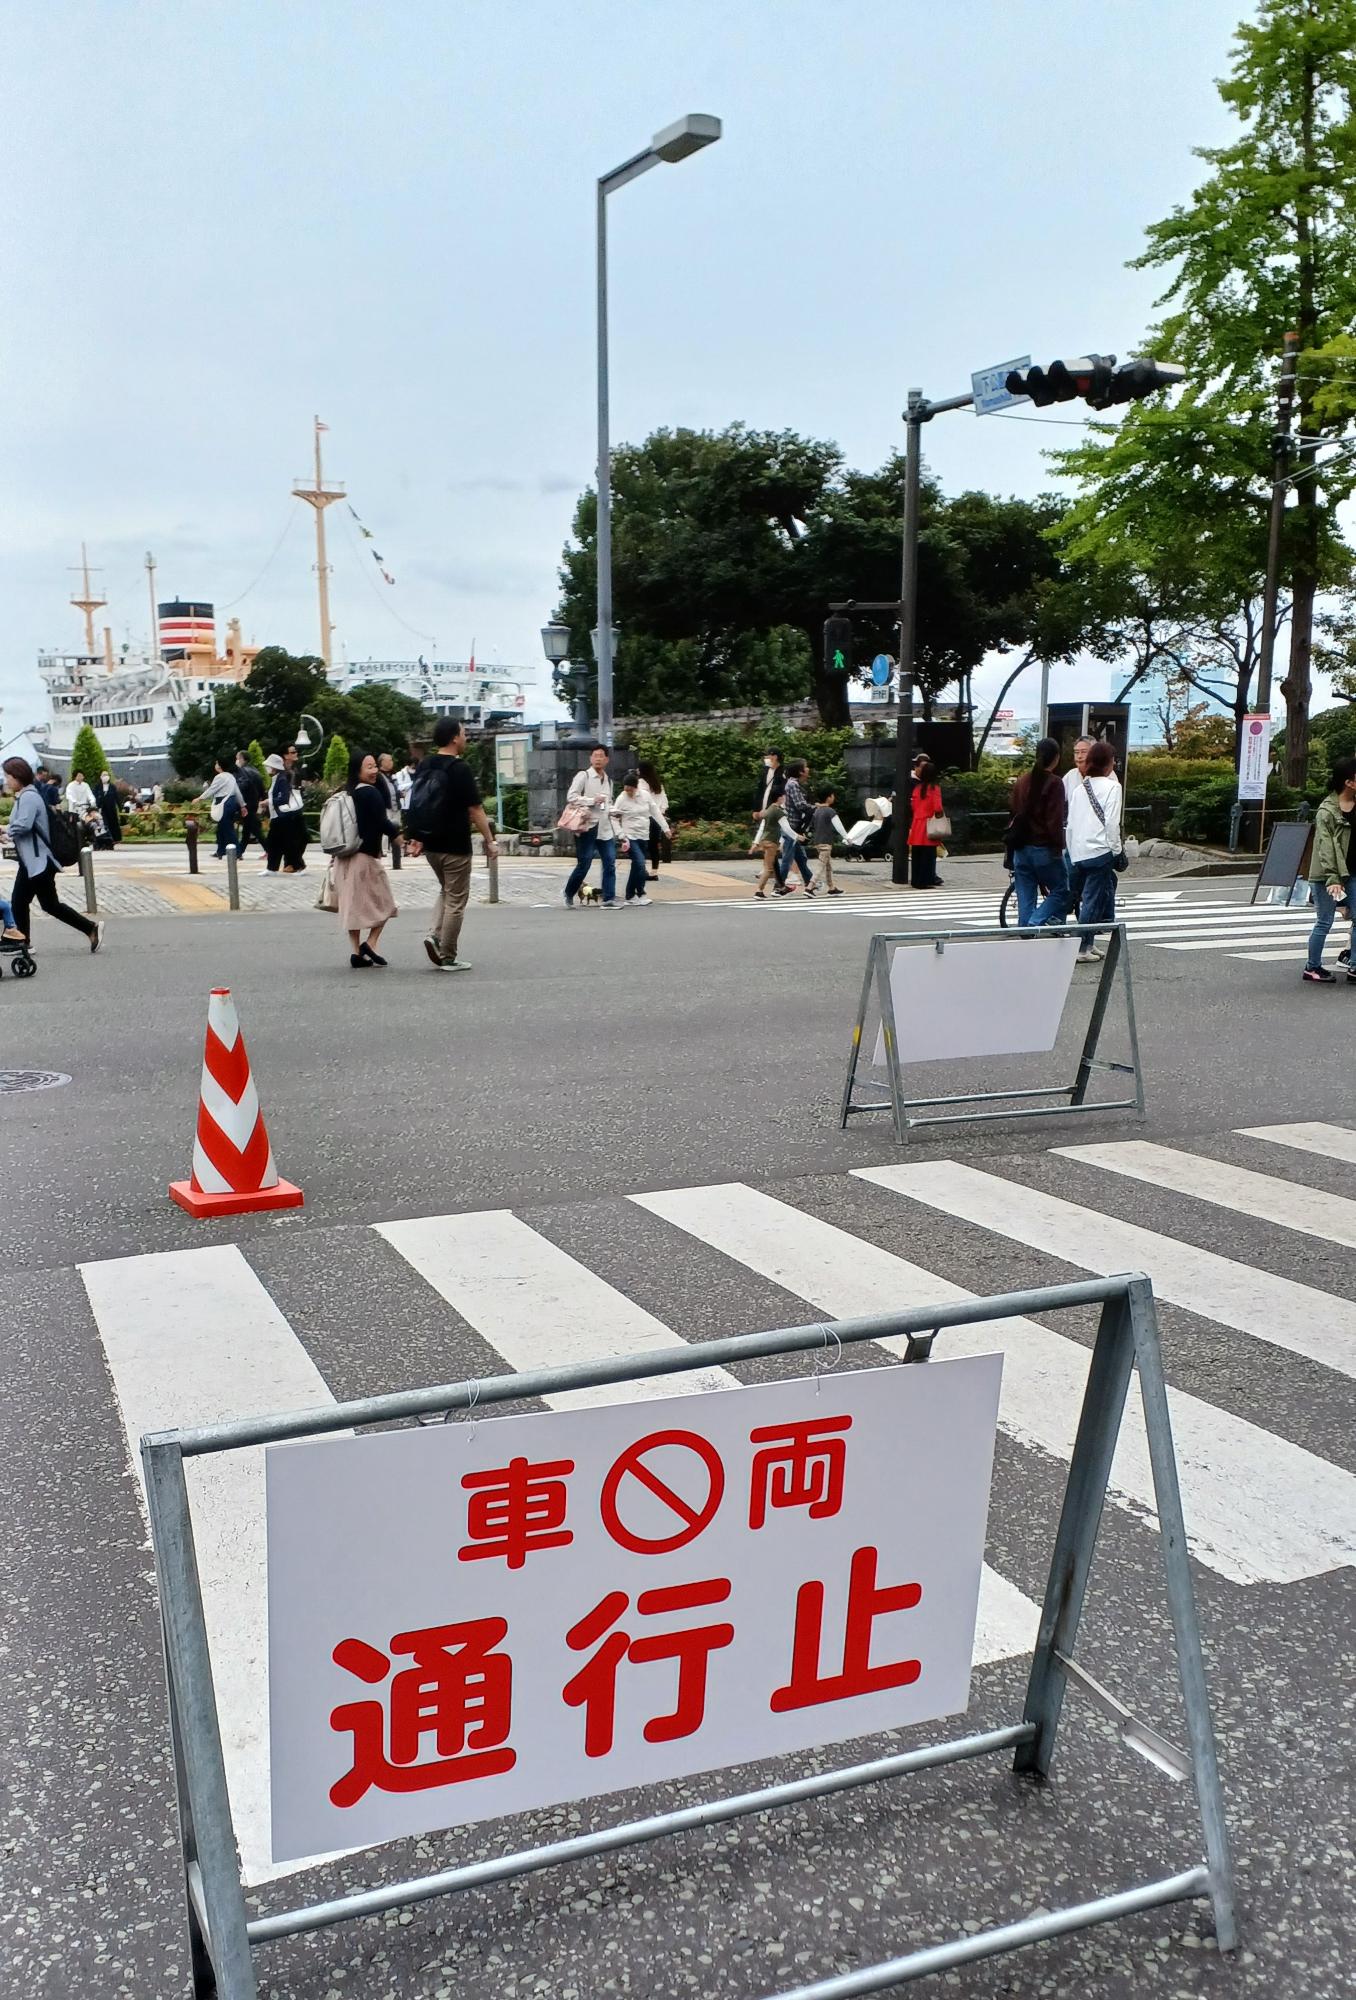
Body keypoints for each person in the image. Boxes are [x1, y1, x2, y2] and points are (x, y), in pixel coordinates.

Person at [404, 716, 496, 970]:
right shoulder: (459, 768)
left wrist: (416, 836)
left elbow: (417, 803)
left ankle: (434, 935)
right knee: (456, 899)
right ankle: (447, 954)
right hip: (455, 844)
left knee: (447, 890)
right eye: (463, 733)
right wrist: (490, 840)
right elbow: (476, 809)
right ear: (454, 738)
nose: (465, 738)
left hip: (431, 845)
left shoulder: (425, 764)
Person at [2, 757, 103, 951]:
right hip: (33, 861)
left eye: (8, 776)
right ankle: (89, 929)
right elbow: (22, 826)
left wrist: (7, 830)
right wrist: (5, 831)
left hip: (38, 861)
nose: (7, 780)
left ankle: (23, 942)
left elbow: (24, 825)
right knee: (42, 903)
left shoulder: (29, 797)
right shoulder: (26, 795)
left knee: (25, 902)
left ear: (17, 776)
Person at [334, 751, 398, 968]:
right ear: (357, 770)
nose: (374, 771)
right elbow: (382, 822)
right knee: (386, 903)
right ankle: (371, 943)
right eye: (369, 767)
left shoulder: (347, 793)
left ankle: (356, 952)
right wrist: (399, 838)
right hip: (365, 857)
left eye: (374, 766)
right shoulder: (371, 793)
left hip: (344, 858)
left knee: (354, 907)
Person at [1066, 738, 1123, 961]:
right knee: (1092, 900)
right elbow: (1112, 823)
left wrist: (1073, 853)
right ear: (1108, 763)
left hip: (1079, 851)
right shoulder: (1113, 787)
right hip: (1100, 852)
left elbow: (1070, 825)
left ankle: (1089, 943)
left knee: (1097, 897)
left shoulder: (1080, 789)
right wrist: (1116, 850)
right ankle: (1082, 947)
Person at [1302, 753, 1356, 984]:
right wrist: (1333, 878)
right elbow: (1325, 847)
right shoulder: (1327, 811)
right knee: (1324, 921)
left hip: (1352, 873)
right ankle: (1312, 967)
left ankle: (1354, 966)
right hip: (1327, 875)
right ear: (1349, 782)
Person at [1008, 737, 1068, 928]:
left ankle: (1025, 928)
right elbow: (1054, 821)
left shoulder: (1022, 781)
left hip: (1020, 848)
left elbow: (1013, 812)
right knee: (1061, 889)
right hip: (1043, 848)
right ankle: (1035, 922)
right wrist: (1058, 847)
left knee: (1026, 894)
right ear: (1056, 758)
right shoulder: (1055, 783)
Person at [563, 746, 618, 908]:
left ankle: (609, 898)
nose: (598, 759)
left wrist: (614, 811)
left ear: (607, 760)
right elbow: (571, 797)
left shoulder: (608, 780)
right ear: (590, 758)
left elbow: (608, 803)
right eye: (595, 756)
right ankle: (569, 892)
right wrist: (591, 801)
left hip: (605, 827)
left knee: (610, 862)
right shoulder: (584, 776)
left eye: (601, 756)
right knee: (584, 863)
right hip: (587, 826)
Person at [775, 759, 816, 896]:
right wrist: (816, 807)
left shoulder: (793, 783)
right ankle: (778, 886)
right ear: (800, 771)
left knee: (801, 858)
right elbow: (800, 805)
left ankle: (810, 883)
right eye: (806, 767)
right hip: (792, 827)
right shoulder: (793, 785)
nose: (808, 769)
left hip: (794, 826)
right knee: (787, 859)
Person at [612, 771, 653, 904]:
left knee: (637, 865)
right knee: (640, 863)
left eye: (630, 789)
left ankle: (630, 895)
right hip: (629, 836)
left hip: (643, 834)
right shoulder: (621, 798)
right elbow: (613, 817)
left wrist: (665, 828)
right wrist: (620, 834)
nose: (628, 792)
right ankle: (641, 893)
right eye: (626, 789)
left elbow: (655, 811)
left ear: (635, 787)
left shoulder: (644, 795)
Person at [268, 746, 308, 872]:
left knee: (301, 837)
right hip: (286, 810)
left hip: (295, 807)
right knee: (288, 838)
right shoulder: (282, 772)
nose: (296, 754)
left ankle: (291, 863)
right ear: (285, 755)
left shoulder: (295, 769)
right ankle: (293, 864)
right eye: (293, 752)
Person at [907, 758, 945, 888]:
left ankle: (916, 880)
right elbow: (938, 808)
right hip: (929, 824)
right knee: (928, 854)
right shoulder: (935, 788)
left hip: (917, 824)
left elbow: (913, 806)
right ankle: (925, 880)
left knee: (917, 853)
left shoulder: (917, 788)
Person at [198, 758, 245, 859]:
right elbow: (237, 792)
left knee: (227, 829)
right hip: (232, 803)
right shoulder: (231, 777)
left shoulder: (219, 777)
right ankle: (220, 851)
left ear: (220, 766)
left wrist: (200, 798)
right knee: (221, 829)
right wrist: (242, 806)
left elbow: (212, 789)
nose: (215, 765)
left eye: (216, 763)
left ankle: (237, 852)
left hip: (224, 804)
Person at [810, 787, 848, 896]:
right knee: (821, 866)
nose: (833, 797)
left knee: (828, 866)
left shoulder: (817, 811)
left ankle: (831, 888)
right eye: (832, 795)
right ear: (828, 798)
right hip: (826, 842)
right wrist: (847, 837)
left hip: (817, 841)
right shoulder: (830, 811)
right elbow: (839, 826)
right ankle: (809, 887)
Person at [637, 760, 671, 880]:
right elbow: (665, 802)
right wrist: (661, 812)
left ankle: (642, 870)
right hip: (657, 818)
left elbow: (640, 800)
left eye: (639, 768)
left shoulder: (640, 783)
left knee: (641, 845)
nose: (637, 770)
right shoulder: (658, 784)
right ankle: (654, 872)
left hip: (645, 818)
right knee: (653, 846)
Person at [233, 751, 265, 857]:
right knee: (247, 829)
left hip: (245, 804)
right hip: (254, 803)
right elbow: (262, 788)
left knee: (255, 830)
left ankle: (269, 849)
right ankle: (239, 852)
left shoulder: (242, 771)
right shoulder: (255, 771)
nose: (236, 761)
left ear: (242, 759)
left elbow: (241, 787)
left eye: (237, 758)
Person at [94, 771, 122, 848]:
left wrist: (120, 807)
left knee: (113, 824)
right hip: (102, 809)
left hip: (111, 808)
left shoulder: (112, 787)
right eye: (104, 775)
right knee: (104, 824)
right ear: (100, 777)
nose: (105, 776)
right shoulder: (97, 787)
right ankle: (107, 840)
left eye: (106, 775)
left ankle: (115, 839)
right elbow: (94, 797)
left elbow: (117, 798)